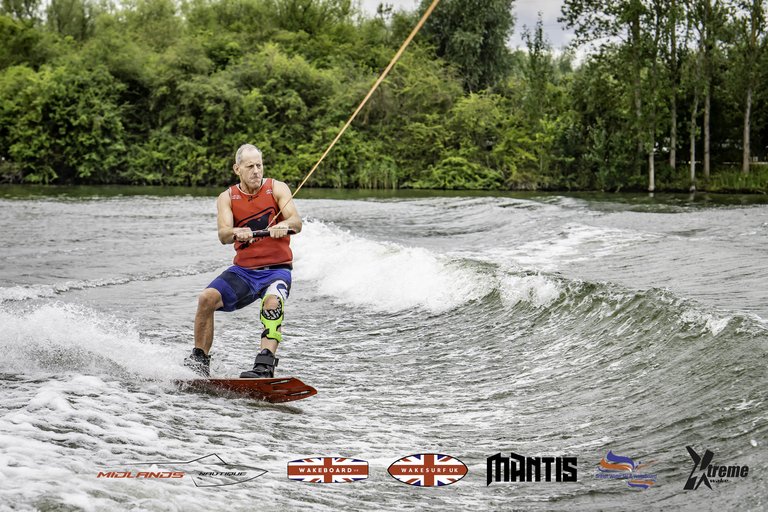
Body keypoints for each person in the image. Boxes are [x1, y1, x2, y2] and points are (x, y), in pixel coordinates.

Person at [184, 143, 302, 378]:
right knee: (206, 299)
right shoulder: (227, 197)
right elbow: (223, 234)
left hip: (276, 271)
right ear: (237, 169)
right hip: (244, 272)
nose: (256, 171)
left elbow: (297, 222)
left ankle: (265, 366)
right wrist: (237, 231)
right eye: (250, 166)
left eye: (259, 165)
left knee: (272, 303)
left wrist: (284, 225)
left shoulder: (277, 188)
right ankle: (199, 361)